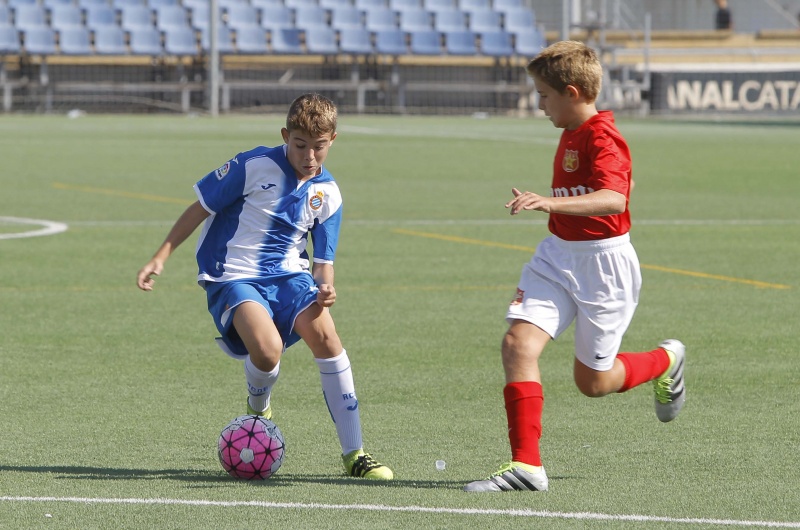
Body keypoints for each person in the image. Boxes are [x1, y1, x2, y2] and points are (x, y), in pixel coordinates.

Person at [464, 41, 685, 493]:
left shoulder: (604, 136)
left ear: (571, 92)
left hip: (604, 266)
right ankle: (526, 466)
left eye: (544, 95)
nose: (539, 104)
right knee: (516, 344)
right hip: (557, 257)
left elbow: (614, 198)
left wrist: (547, 201)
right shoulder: (571, 130)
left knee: (594, 382)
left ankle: (666, 360)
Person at [136, 93, 393, 481]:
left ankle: (355, 453)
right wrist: (161, 256)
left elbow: (323, 263)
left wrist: (326, 290)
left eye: (319, 147)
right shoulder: (252, 164)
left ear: (333, 141)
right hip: (233, 274)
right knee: (268, 349)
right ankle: (259, 406)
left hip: (290, 275)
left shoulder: (329, 194)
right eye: (300, 145)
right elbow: (200, 208)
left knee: (326, 335)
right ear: (285, 135)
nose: (309, 156)